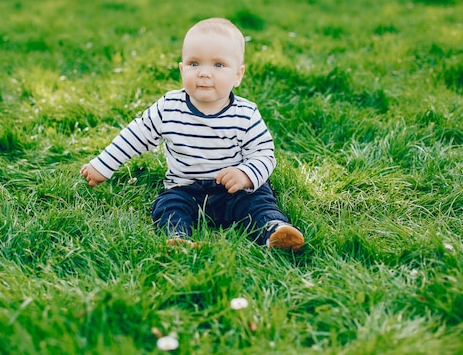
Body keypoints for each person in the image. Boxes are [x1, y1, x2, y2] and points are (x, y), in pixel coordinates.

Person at [80, 18, 304, 251]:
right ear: (182, 69)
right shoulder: (168, 107)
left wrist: (245, 174)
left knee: (258, 202)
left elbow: (264, 154)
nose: (204, 74)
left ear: (238, 75)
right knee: (169, 206)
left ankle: (275, 230)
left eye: (218, 65)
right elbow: (136, 136)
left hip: (234, 190)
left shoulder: (245, 113)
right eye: (194, 64)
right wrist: (102, 166)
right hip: (186, 188)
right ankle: (178, 237)